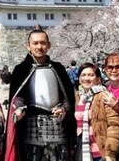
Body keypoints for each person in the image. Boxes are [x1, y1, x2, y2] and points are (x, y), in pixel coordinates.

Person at [5, 25, 76, 161]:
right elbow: (17, 97)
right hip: (31, 128)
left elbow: (68, 96)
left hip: (58, 126)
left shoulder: (58, 68)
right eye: (35, 43)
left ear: (49, 45)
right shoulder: (20, 70)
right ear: (28, 46)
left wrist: (63, 108)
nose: (39, 46)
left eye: (43, 43)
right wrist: (19, 108)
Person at [75, 62, 119, 161]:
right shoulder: (79, 97)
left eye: (91, 75)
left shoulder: (103, 95)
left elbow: (114, 124)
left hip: (101, 153)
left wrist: (110, 152)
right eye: (83, 75)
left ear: (98, 79)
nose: (86, 78)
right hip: (85, 152)